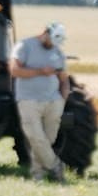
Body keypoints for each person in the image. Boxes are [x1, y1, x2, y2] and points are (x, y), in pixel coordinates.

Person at [12, 20, 72, 182]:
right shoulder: (25, 46)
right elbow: (15, 70)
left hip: (54, 101)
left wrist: (63, 99)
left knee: (47, 140)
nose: (53, 44)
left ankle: (38, 175)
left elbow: (63, 79)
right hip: (28, 100)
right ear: (45, 33)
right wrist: (40, 72)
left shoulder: (57, 52)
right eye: (51, 40)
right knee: (37, 138)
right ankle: (56, 166)